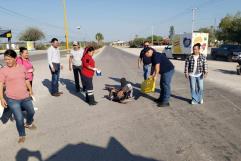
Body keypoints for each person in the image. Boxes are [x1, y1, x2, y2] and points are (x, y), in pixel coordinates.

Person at [0, 49, 36, 143]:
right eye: (5, 59)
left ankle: (28, 123)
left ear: (15, 58)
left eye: (9, 59)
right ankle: (21, 134)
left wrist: (31, 90)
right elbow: (0, 84)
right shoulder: (3, 70)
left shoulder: (22, 67)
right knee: (19, 118)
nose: (7, 61)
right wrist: (1, 98)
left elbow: (26, 80)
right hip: (12, 99)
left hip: (25, 96)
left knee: (31, 112)